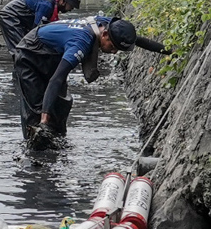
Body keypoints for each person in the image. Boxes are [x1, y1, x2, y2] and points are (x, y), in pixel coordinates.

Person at [14, 16, 165, 148]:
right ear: (104, 34)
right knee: (37, 111)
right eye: (112, 47)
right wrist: (44, 120)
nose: (114, 52)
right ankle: (33, 153)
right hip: (30, 53)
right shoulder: (81, 43)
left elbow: (137, 40)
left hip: (52, 50)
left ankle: (57, 142)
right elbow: (57, 79)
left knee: (61, 104)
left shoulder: (108, 25)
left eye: (117, 49)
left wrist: (169, 51)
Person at [0, 0, 83, 60]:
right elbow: (35, 31)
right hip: (10, 16)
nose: (71, 9)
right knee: (20, 49)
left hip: (20, 17)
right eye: (71, 6)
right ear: (63, 1)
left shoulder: (53, 1)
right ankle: (20, 75)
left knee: (26, 48)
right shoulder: (47, 4)